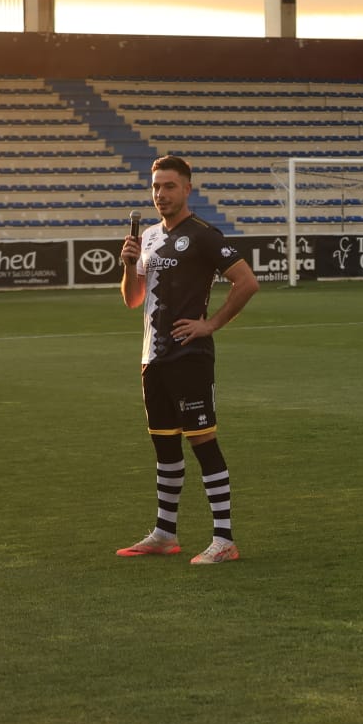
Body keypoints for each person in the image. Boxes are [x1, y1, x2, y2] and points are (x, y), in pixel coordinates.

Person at [116, 155, 259, 565]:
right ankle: (164, 534)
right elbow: (133, 299)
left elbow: (247, 282)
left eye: (170, 186)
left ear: (187, 189)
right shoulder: (146, 239)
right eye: (156, 187)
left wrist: (210, 324)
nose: (161, 194)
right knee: (164, 447)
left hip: (189, 357)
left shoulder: (203, 235)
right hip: (152, 357)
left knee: (202, 442)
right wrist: (127, 267)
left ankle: (224, 539)